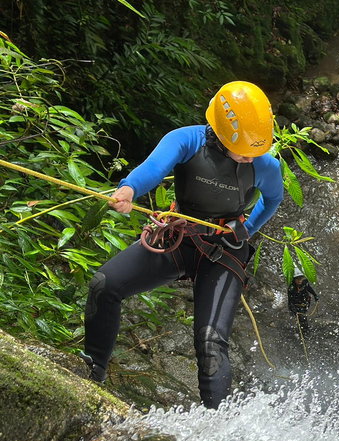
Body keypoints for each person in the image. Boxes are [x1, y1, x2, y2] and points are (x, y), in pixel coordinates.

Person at [79, 81, 284, 409]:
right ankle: (91, 376)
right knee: (104, 285)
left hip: (224, 251)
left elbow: (274, 198)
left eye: (255, 150)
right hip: (180, 238)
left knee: (210, 342)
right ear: (219, 131)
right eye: (243, 148)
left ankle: (215, 429)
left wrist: (246, 228)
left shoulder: (264, 165)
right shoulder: (187, 140)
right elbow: (154, 169)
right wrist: (129, 190)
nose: (249, 157)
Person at [287, 268, 318, 334]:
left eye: (300, 278)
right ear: (294, 279)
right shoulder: (291, 288)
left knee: (304, 317)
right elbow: (290, 301)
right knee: (301, 318)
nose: (299, 281)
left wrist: (315, 295)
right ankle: (303, 331)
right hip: (296, 305)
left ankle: (305, 330)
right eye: (297, 279)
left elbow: (309, 288)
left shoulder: (305, 283)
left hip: (304, 303)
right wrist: (294, 311)